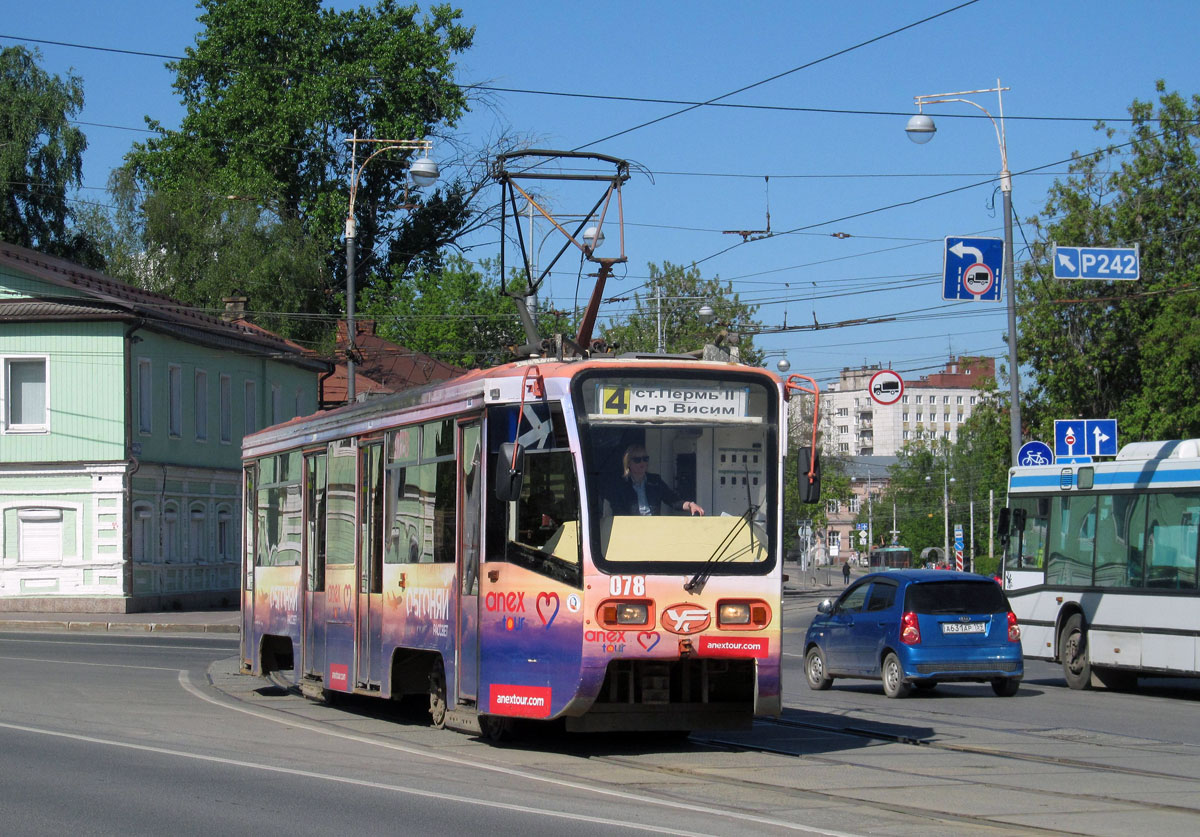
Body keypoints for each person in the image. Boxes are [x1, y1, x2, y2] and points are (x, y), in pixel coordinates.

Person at [605, 444, 705, 516]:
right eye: (637, 460)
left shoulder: (655, 481)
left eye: (645, 459)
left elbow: (673, 500)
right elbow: (618, 510)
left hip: (653, 527)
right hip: (631, 529)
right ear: (628, 463)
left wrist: (690, 505)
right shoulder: (620, 485)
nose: (642, 463)